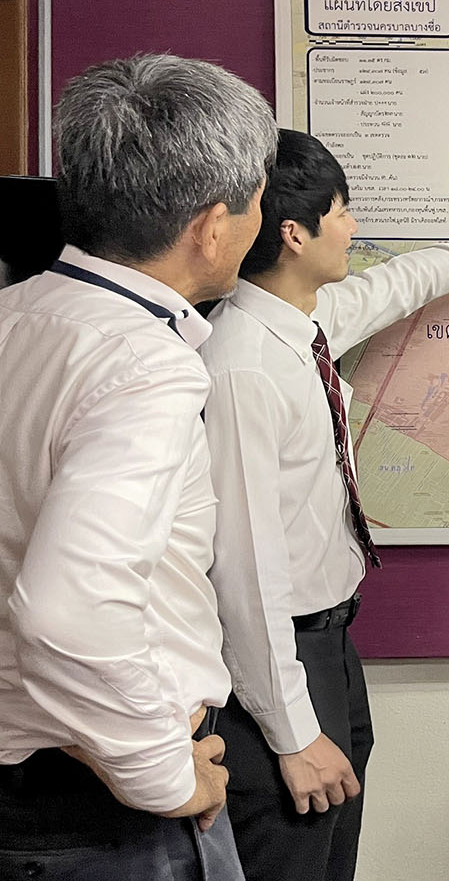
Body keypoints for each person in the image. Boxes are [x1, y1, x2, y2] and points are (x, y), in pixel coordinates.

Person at [199, 129, 449, 881]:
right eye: (343, 211)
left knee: (334, 853)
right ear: (294, 232)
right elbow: (240, 572)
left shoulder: (301, 324)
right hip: (276, 664)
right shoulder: (243, 363)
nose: (354, 227)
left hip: (330, 646)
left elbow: (401, 281)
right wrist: (292, 733)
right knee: (292, 853)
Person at [0, 54, 276, 879]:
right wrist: (161, 772)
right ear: (210, 227)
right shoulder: (145, 364)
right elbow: (66, 608)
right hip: (105, 818)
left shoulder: (15, 318)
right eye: (257, 200)